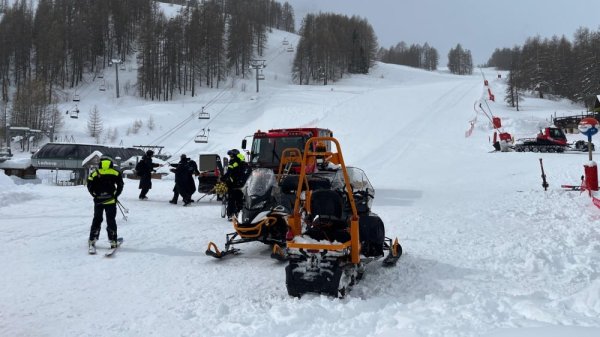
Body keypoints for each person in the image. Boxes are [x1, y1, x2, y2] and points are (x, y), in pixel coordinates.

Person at [87, 156, 124, 250]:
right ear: (111, 163)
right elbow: (120, 185)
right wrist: (116, 195)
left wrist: (94, 194)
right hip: (111, 201)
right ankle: (113, 241)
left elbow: (89, 184)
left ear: (100, 163)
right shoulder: (115, 172)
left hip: (98, 201)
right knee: (111, 220)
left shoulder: (95, 173)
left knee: (97, 219)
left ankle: (92, 239)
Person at [221, 149, 250, 220]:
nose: (230, 157)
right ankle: (239, 213)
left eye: (231, 155)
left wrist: (222, 178)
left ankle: (230, 214)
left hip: (233, 184)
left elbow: (229, 173)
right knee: (239, 199)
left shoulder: (233, 162)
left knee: (231, 199)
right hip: (241, 184)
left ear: (234, 155)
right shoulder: (243, 162)